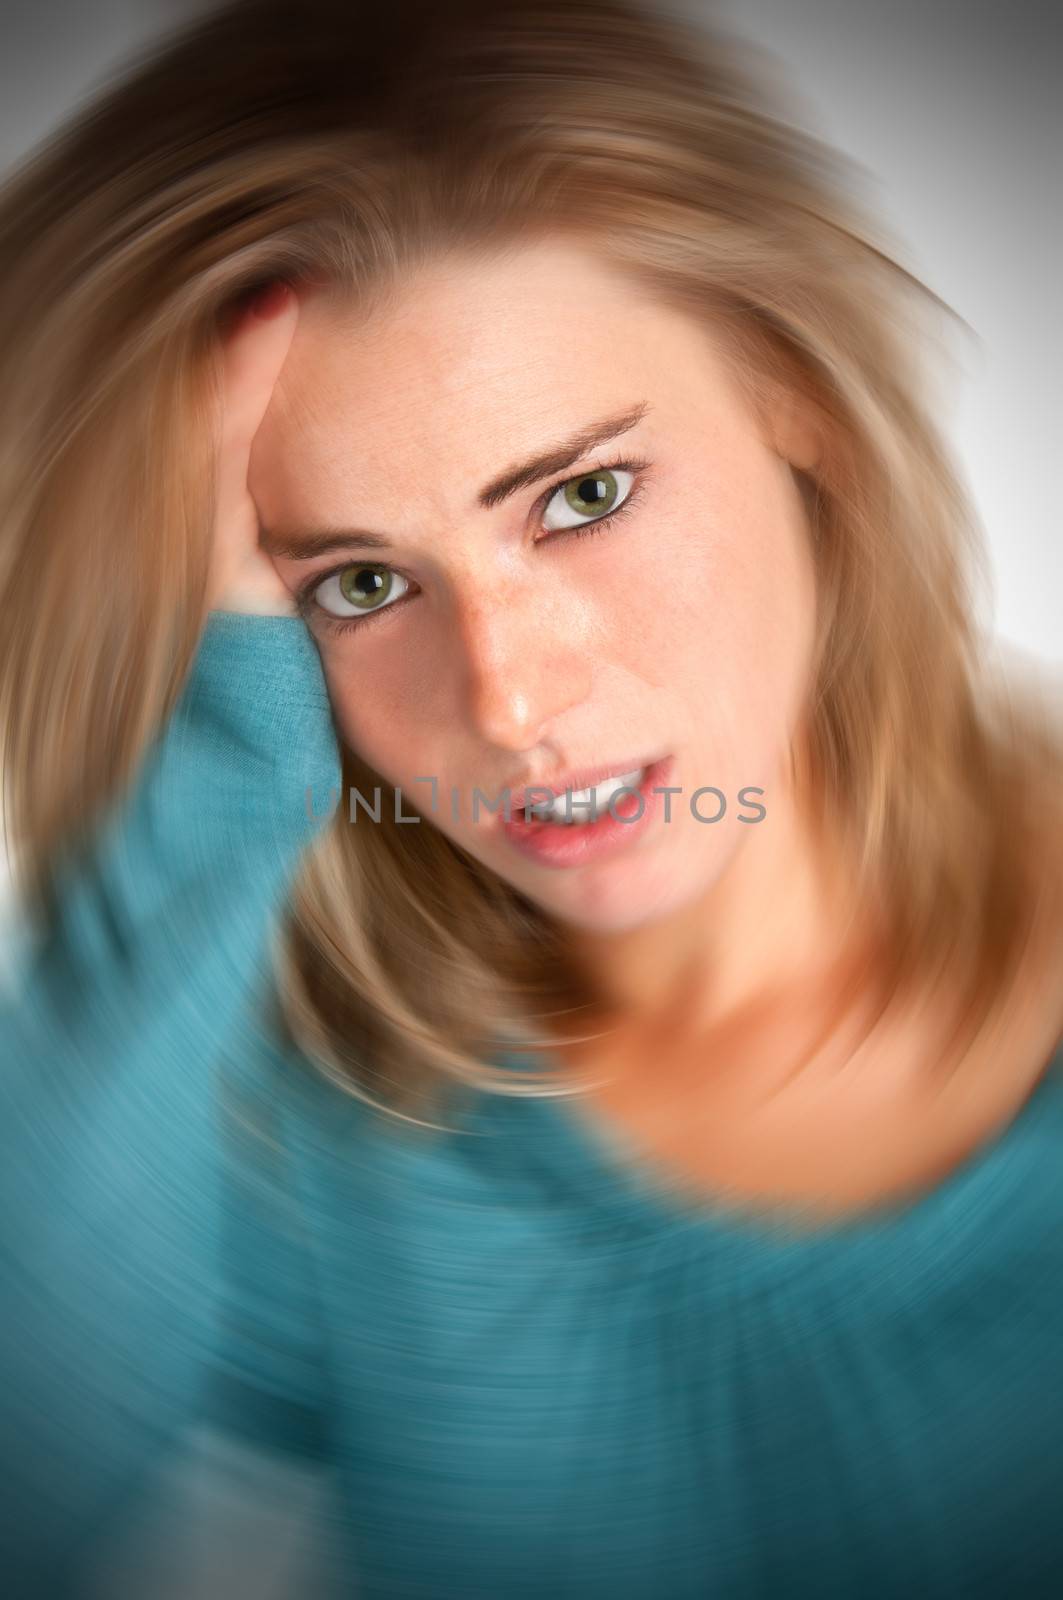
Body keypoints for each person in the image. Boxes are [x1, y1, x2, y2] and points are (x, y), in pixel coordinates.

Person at [1, 0, 1061, 1593]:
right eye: (360, 581)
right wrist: (213, 775)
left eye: (582, 496)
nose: (506, 702)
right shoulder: (324, 1120)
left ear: (801, 403)